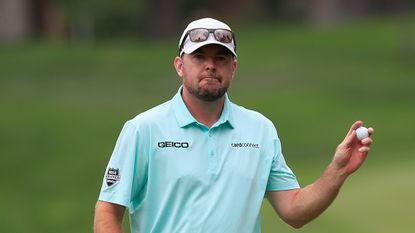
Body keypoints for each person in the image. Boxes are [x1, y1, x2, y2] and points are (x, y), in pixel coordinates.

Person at [94, 17, 374, 233]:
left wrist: (337, 171)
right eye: (199, 57)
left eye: (221, 58)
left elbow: (294, 211)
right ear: (180, 65)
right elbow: (108, 209)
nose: (210, 66)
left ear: (233, 67)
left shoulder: (260, 130)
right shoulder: (144, 129)